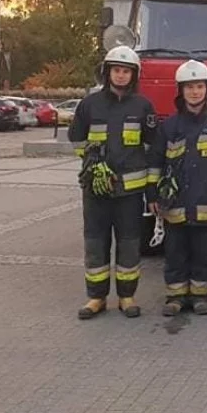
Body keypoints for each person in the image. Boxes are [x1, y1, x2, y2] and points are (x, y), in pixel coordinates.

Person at [69, 45, 157, 320]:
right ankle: (96, 298)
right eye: (116, 70)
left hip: (130, 192)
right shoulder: (89, 104)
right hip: (96, 191)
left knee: (129, 243)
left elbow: (153, 145)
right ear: (107, 73)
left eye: (126, 71)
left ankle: (127, 296)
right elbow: (76, 138)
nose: (121, 76)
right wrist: (93, 164)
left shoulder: (143, 106)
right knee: (95, 242)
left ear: (134, 75)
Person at [146, 60, 207, 316]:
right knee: (175, 252)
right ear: (180, 91)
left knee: (203, 253)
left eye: (199, 86)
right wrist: (152, 193)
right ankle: (175, 297)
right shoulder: (169, 127)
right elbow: (155, 163)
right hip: (175, 204)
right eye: (189, 87)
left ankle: (200, 296)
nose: (195, 92)